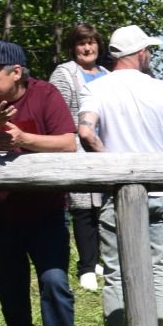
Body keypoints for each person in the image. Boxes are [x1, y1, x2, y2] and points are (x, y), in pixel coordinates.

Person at [77, 25, 163, 326]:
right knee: (160, 269)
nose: (151, 56)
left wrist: (110, 163)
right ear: (140, 53)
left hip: (117, 194)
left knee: (115, 271)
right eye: (149, 51)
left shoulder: (96, 88)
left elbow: (85, 131)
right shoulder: (161, 88)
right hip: (162, 192)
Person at [0, 39, 78, 326]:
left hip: (47, 211)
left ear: (16, 72)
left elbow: (68, 143)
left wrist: (23, 139)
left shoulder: (45, 94)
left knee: (55, 280)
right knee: (11, 291)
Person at [47, 23, 108, 292]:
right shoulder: (64, 73)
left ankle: (98, 261)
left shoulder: (107, 74)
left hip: (104, 146)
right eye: (82, 43)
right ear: (74, 47)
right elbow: (56, 111)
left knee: (103, 208)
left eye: (92, 42)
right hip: (75, 145)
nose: (87, 48)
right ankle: (86, 267)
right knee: (83, 207)